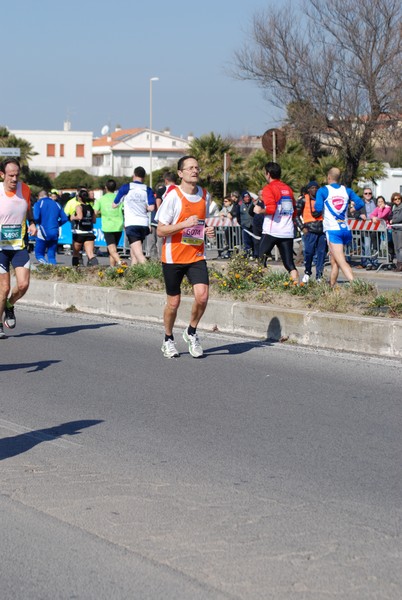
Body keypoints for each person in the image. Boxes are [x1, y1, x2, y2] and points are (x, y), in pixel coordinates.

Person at [156, 155, 214, 359]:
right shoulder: (173, 196)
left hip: (196, 255)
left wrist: (206, 230)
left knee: (203, 295)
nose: (194, 171)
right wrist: (184, 224)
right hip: (173, 257)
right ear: (180, 173)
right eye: (189, 168)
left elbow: (199, 224)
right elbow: (160, 231)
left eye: (197, 167)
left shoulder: (204, 195)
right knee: (173, 303)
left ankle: (191, 332)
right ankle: (168, 339)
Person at [0, 157, 37, 338]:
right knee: (4, 288)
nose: (14, 179)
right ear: (2, 175)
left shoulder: (25, 189)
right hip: (0, 248)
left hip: (19, 245)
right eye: (10, 175)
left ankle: (9, 305)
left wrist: (32, 222)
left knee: (23, 285)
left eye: (17, 175)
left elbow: (27, 208)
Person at [314, 167, 364, 286]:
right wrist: (352, 208)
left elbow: (318, 208)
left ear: (329, 178)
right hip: (345, 229)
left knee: (341, 261)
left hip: (333, 230)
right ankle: (331, 286)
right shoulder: (346, 190)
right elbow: (361, 203)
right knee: (334, 261)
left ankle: (357, 285)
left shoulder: (323, 190)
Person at [253, 162, 299, 283]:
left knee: (260, 260)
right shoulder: (288, 189)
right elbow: (294, 211)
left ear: (268, 174)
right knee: (289, 264)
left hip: (272, 231)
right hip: (287, 231)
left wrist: (260, 210)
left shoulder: (268, 188)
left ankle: (263, 284)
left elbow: (271, 209)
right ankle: (297, 286)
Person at [113, 166, 155, 265]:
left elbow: (115, 204)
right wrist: (142, 206)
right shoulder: (147, 189)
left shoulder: (127, 187)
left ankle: (151, 273)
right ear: (144, 177)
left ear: (134, 175)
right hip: (144, 224)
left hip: (132, 223)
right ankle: (134, 272)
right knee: (134, 250)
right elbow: (151, 208)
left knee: (139, 253)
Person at [296, 180, 327, 282]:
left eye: (316, 188)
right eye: (312, 188)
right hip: (309, 230)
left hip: (321, 230)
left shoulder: (322, 200)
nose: (314, 189)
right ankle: (307, 272)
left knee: (321, 254)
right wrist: (302, 227)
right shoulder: (303, 200)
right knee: (308, 253)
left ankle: (319, 275)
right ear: (308, 189)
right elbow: (295, 215)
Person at [94, 179, 124, 267]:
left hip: (108, 226)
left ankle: (121, 263)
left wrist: (101, 212)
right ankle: (112, 268)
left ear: (105, 188)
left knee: (111, 249)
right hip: (118, 226)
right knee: (113, 249)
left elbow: (95, 212)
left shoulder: (100, 199)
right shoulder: (119, 198)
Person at [33, 190, 69, 264]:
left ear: (39, 197)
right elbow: (65, 218)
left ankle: (45, 266)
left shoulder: (39, 203)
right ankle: (54, 271)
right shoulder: (57, 204)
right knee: (51, 255)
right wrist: (57, 224)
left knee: (39, 254)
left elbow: (36, 217)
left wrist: (36, 223)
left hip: (42, 230)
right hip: (55, 231)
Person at [70, 188, 99, 266]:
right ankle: (97, 269)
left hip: (79, 233)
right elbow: (94, 221)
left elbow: (80, 217)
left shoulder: (79, 207)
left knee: (76, 253)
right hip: (89, 232)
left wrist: (73, 217)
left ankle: (75, 273)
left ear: (79, 197)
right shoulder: (90, 207)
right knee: (90, 254)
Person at [357, 187, 378, 270]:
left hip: (376, 228)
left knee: (376, 246)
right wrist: (360, 215)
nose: (368, 195)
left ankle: (375, 262)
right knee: (367, 245)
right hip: (365, 229)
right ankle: (368, 263)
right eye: (366, 193)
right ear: (363, 195)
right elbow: (355, 213)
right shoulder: (360, 203)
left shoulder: (376, 202)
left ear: (372, 194)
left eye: (369, 193)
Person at [236, 191, 254, 256]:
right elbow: (238, 215)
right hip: (245, 225)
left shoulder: (253, 203)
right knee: (246, 241)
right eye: (246, 197)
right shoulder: (240, 204)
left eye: (248, 197)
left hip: (252, 224)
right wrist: (241, 223)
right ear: (243, 198)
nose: (247, 198)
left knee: (254, 240)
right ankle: (247, 253)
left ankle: (254, 254)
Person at [390, 192, 402, 271]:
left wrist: (392, 221)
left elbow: (400, 218)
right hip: (394, 229)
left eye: (399, 199)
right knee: (396, 247)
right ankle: (398, 264)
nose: (397, 200)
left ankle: (400, 264)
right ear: (393, 200)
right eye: (395, 199)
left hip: (400, 229)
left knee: (400, 247)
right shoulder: (393, 207)